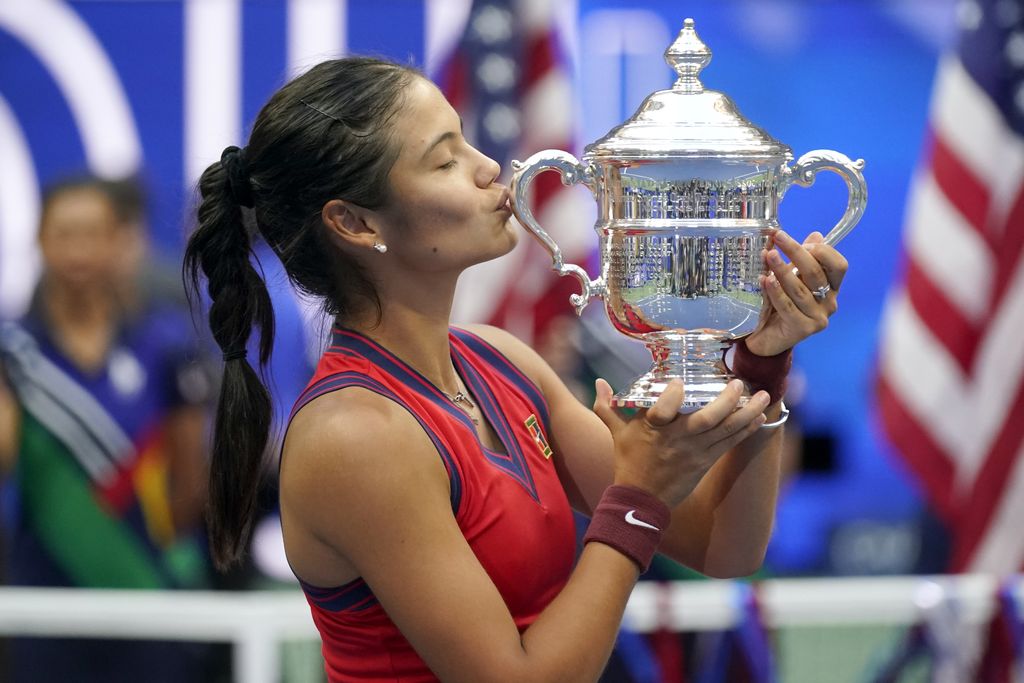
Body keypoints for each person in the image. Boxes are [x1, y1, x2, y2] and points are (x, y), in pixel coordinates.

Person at [183, 56, 848, 683]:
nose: (486, 168)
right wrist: (638, 497)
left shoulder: (499, 361)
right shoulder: (356, 435)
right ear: (354, 222)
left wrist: (761, 364)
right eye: (444, 160)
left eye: (468, 141)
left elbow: (723, 546)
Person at [0, 175, 211, 683]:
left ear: (119, 241)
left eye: (92, 233)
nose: (78, 251)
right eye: (64, 234)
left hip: (147, 593)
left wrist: (152, 544)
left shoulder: (168, 345)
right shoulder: (13, 353)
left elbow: (192, 481)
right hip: (43, 606)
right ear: (40, 241)